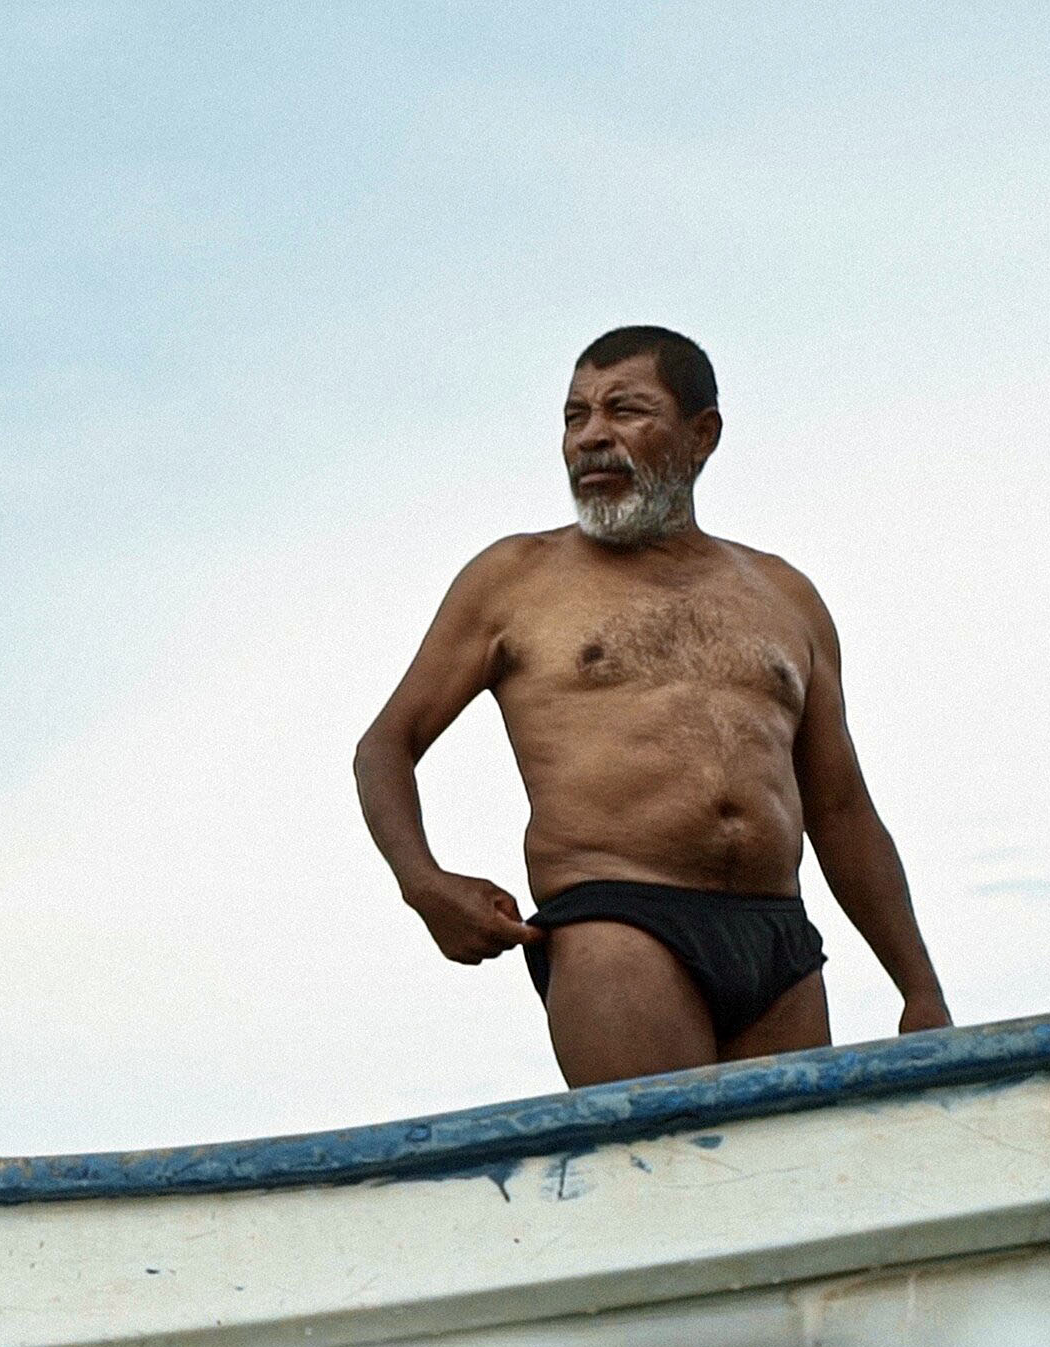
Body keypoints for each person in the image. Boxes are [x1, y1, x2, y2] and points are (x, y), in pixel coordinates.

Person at [354, 327, 948, 1088]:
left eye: (624, 410)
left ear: (702, 435)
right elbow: (386, 745)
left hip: (777, 938)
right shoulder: (513, 578)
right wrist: (423, 882)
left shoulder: (784, 595)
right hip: (618, 921)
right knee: (666, 1156)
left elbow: (840, 809)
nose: (591, 437)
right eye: (575, 417)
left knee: (784, 1165)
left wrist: (918, 988)